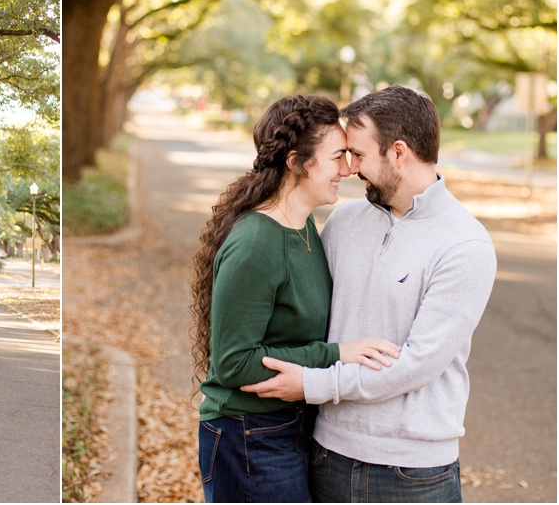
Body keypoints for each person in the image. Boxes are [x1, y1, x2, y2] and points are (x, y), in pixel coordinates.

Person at [241, 86, 497, 503]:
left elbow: (416, 364)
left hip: (413, 474)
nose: (348, 168)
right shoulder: (344, 220)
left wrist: (311, 384)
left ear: (398, 153)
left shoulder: (465, 245)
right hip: (326, 452)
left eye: (357, 155)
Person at [190, 95, 400, 503]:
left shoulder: (306, 230)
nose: (348, 168)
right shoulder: (256, 242)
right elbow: (233, 363)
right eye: (337, 156)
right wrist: (337, 354)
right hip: (248, 436)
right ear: (296, 162)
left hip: (294, 427)